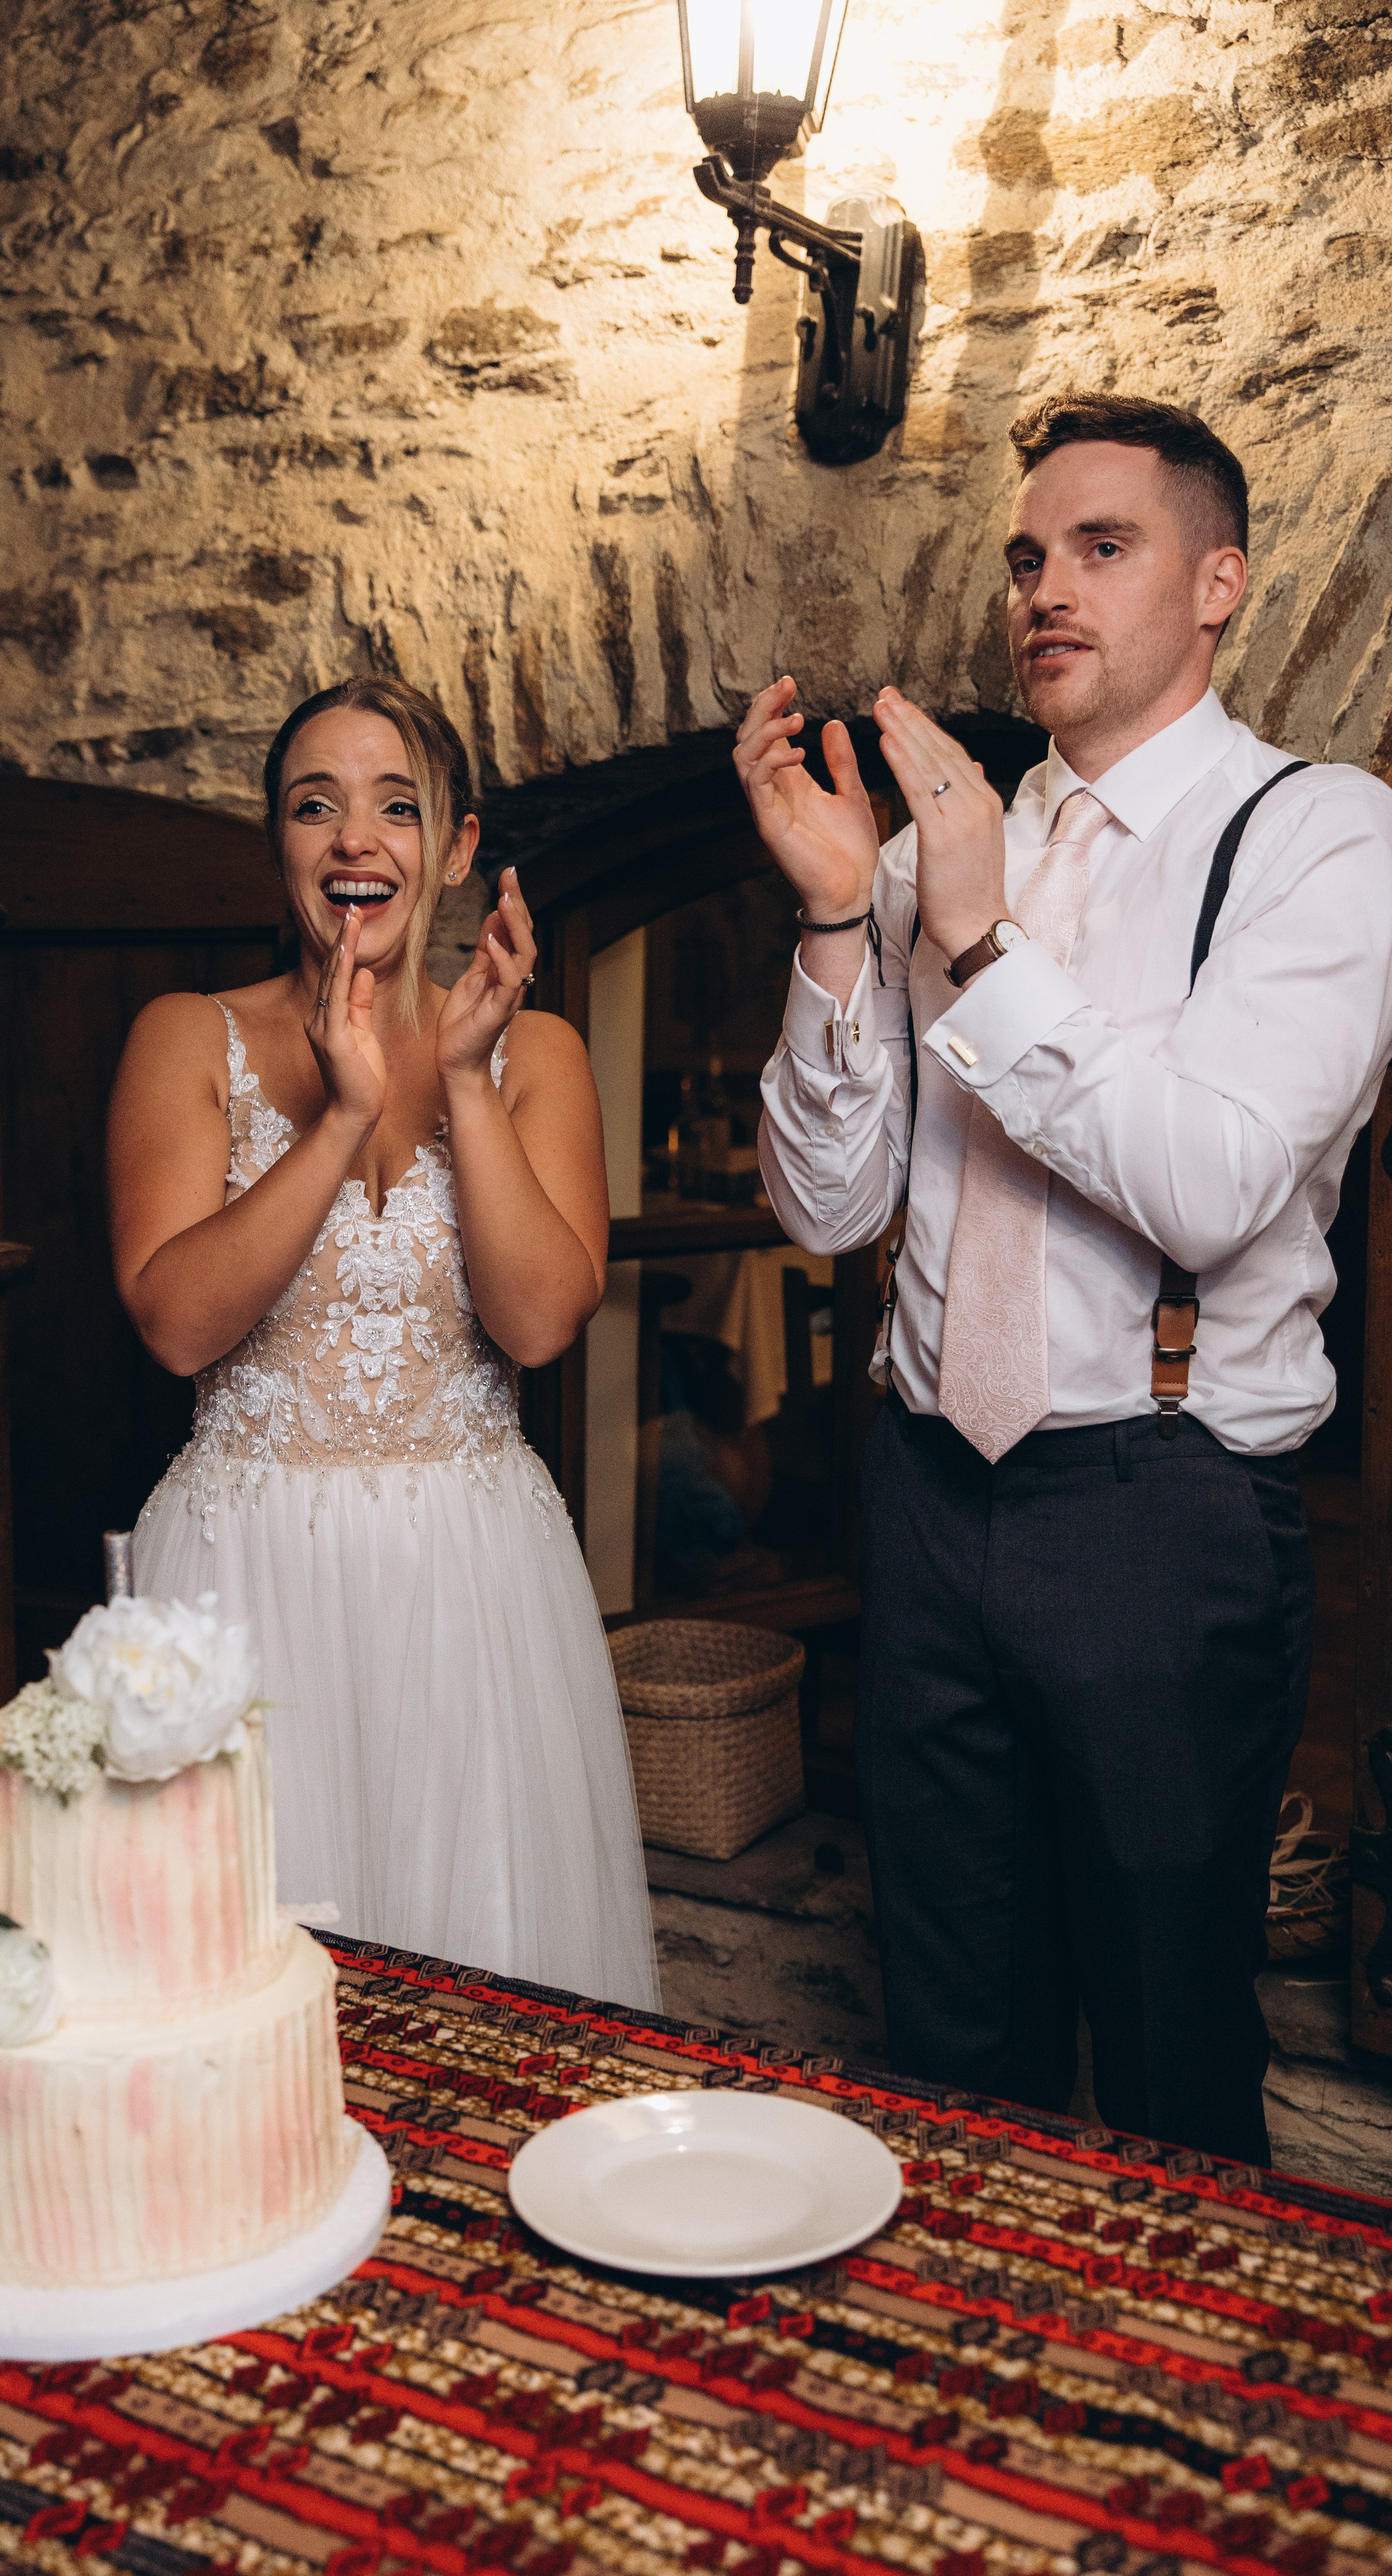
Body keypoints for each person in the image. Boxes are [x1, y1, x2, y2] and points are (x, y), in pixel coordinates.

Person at [742, 392, 1392, 2163]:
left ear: (1220, 585)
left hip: (1162, 1509)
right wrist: (831, 916)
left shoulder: (1319, 836)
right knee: (952, 2028)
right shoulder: (935, 846)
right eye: (1031, 555)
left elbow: (1213, 1185)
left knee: (1172, 2039)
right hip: (930, 1489)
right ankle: (968, 2391)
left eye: (1104, 547)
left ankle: (1184, 2417)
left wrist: (976, 940)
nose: (1046, 586)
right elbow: (821, 1206)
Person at [108, 675, 660, 2011]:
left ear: (457, 849)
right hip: (244, 1582)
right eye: (316, 807)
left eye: (394, 807)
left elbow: (535, 1316)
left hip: (471, 1583)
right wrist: (344, 1117)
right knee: (236, 1998)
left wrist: (457, 1082)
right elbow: (178, 1327)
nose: (354, 840)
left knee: (488, 1991)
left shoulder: (533, 1054)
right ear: (280, 846)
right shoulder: (187, 1037)